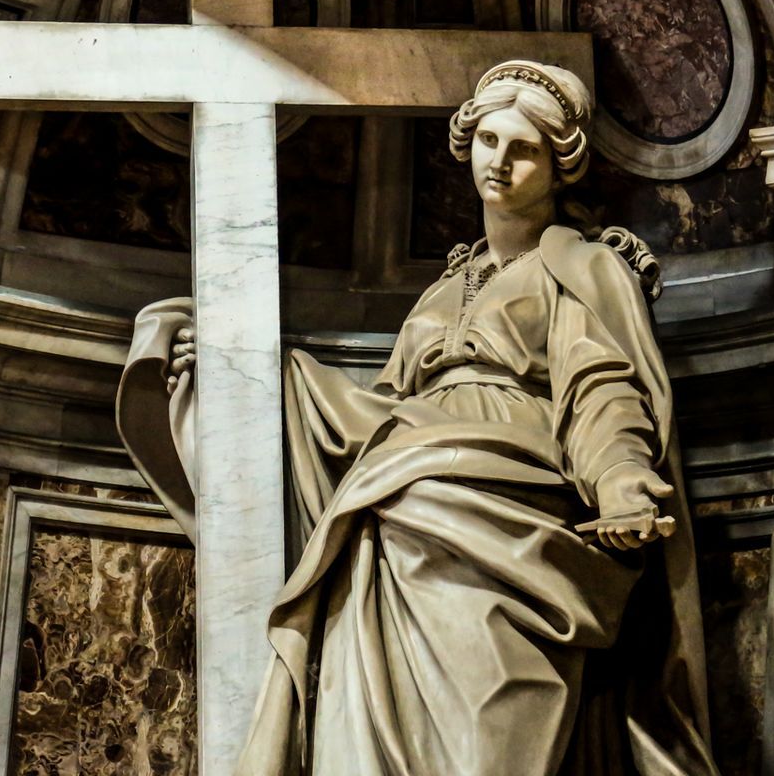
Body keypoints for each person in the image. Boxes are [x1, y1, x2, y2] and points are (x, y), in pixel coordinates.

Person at [120, 60, 717, 774]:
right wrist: (247, 374)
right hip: (397, 515)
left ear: (560, 167)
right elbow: (384, 412)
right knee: (358, 726)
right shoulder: (440, 291)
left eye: (523, 149)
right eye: (490, 140)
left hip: (509, 519)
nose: (500, 161)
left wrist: (620, 476)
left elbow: (602, 386)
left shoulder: (579, 267)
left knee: (491, 731)